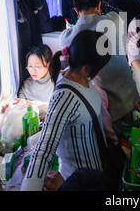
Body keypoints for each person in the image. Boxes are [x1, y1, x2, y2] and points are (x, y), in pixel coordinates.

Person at [21, 30, 111, 191]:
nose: (101, 71)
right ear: (85, 68)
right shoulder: (64, 98)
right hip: (79, 184)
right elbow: (43, 152)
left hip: (95, 177)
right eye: (100, 68)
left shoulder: (84, 82)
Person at [59, 0, 138, 133]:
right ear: (100, 5)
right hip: (128, 97)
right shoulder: (115, 19)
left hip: (100, 110)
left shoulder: (67, 38)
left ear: (76, 10)